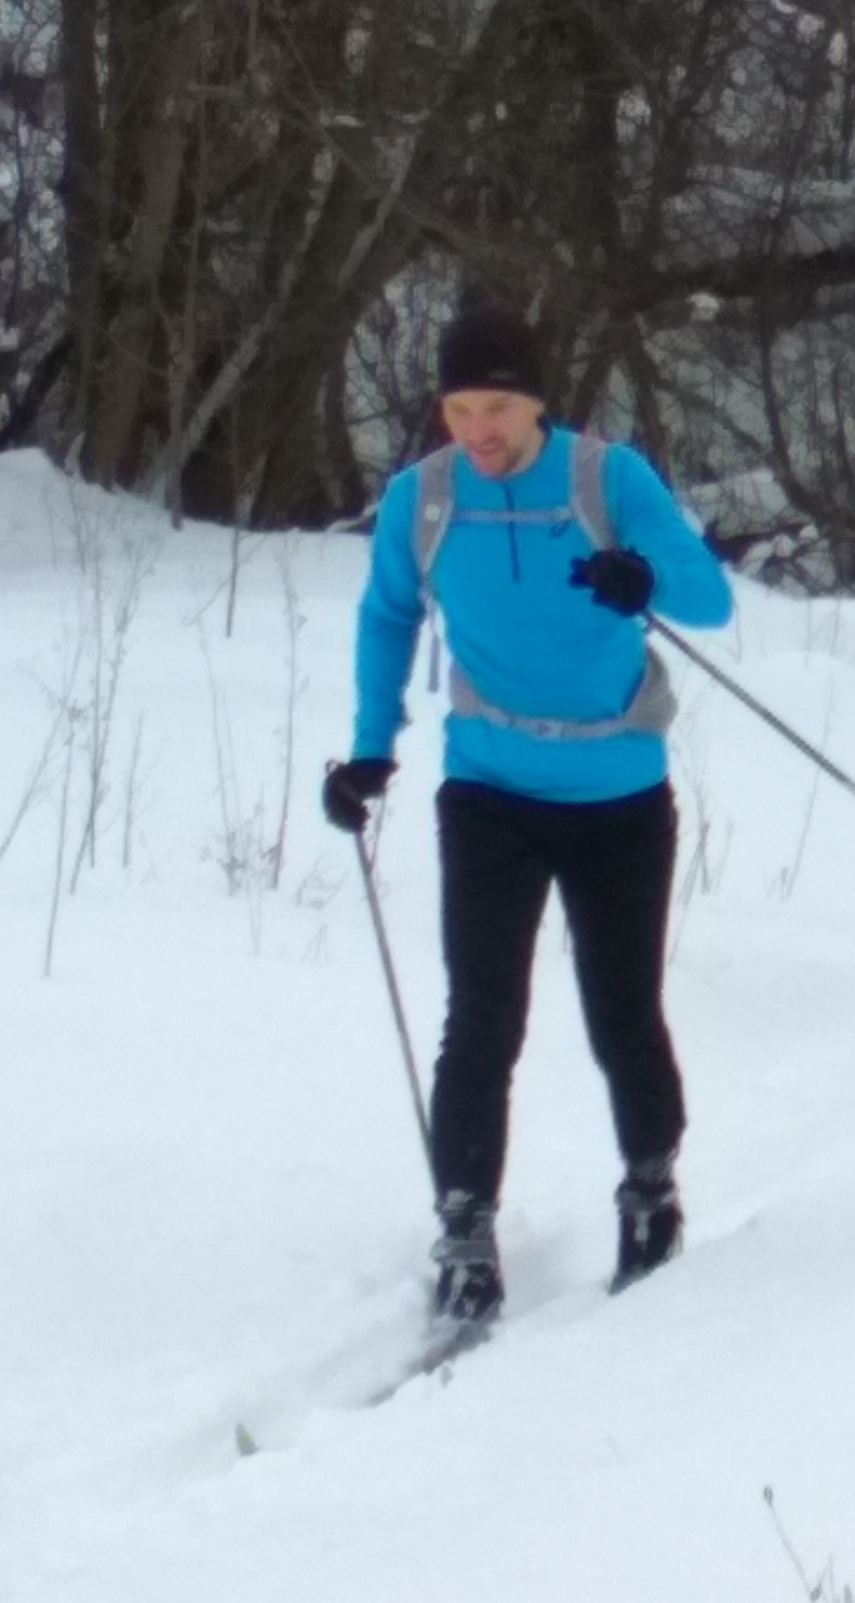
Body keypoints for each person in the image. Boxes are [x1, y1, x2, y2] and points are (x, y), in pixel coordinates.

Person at [324, 300, 737, 1328]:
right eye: (459, 408)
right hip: (489, 790)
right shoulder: (423, 499)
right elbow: (387, 615)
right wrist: (372, 747)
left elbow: (709, 597)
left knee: (622, 1010)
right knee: (481, 1018)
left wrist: (642, 577)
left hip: (617, 794)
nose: (478, 430)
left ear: (537, 403)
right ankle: (465, 1230)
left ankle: (651, 1193)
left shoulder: (607, 480)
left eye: (497, 408)